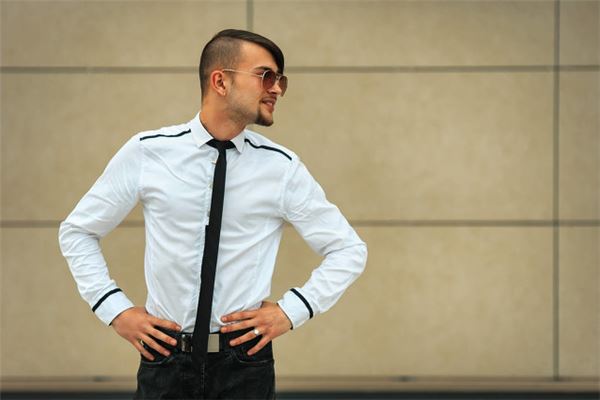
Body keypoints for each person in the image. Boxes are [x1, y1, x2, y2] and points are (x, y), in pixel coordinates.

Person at [59, 29, 367, 399]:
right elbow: (78, 231)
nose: (276, 89)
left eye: (280, 80)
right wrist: (114, 309)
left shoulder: (282, 167)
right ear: (220, 81)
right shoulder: (148, 152)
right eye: (265, 76)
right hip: (165, 360)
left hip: (244, 365)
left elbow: (348, 249)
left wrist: (291, 311)